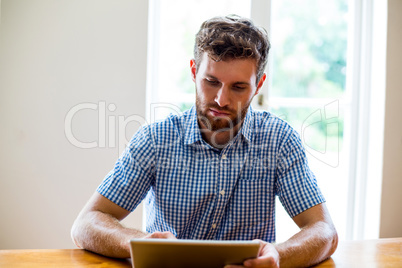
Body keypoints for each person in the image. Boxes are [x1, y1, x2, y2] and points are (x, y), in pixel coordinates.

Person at [71, 15, 338, 267]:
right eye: (211, 81)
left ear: (258, 85)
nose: (221, 99)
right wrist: (135, 243)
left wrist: (278, 255)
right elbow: (86, 223)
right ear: (193, 71)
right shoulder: (155, 140)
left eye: (238, 87)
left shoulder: (279, 141)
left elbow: (324, 230)